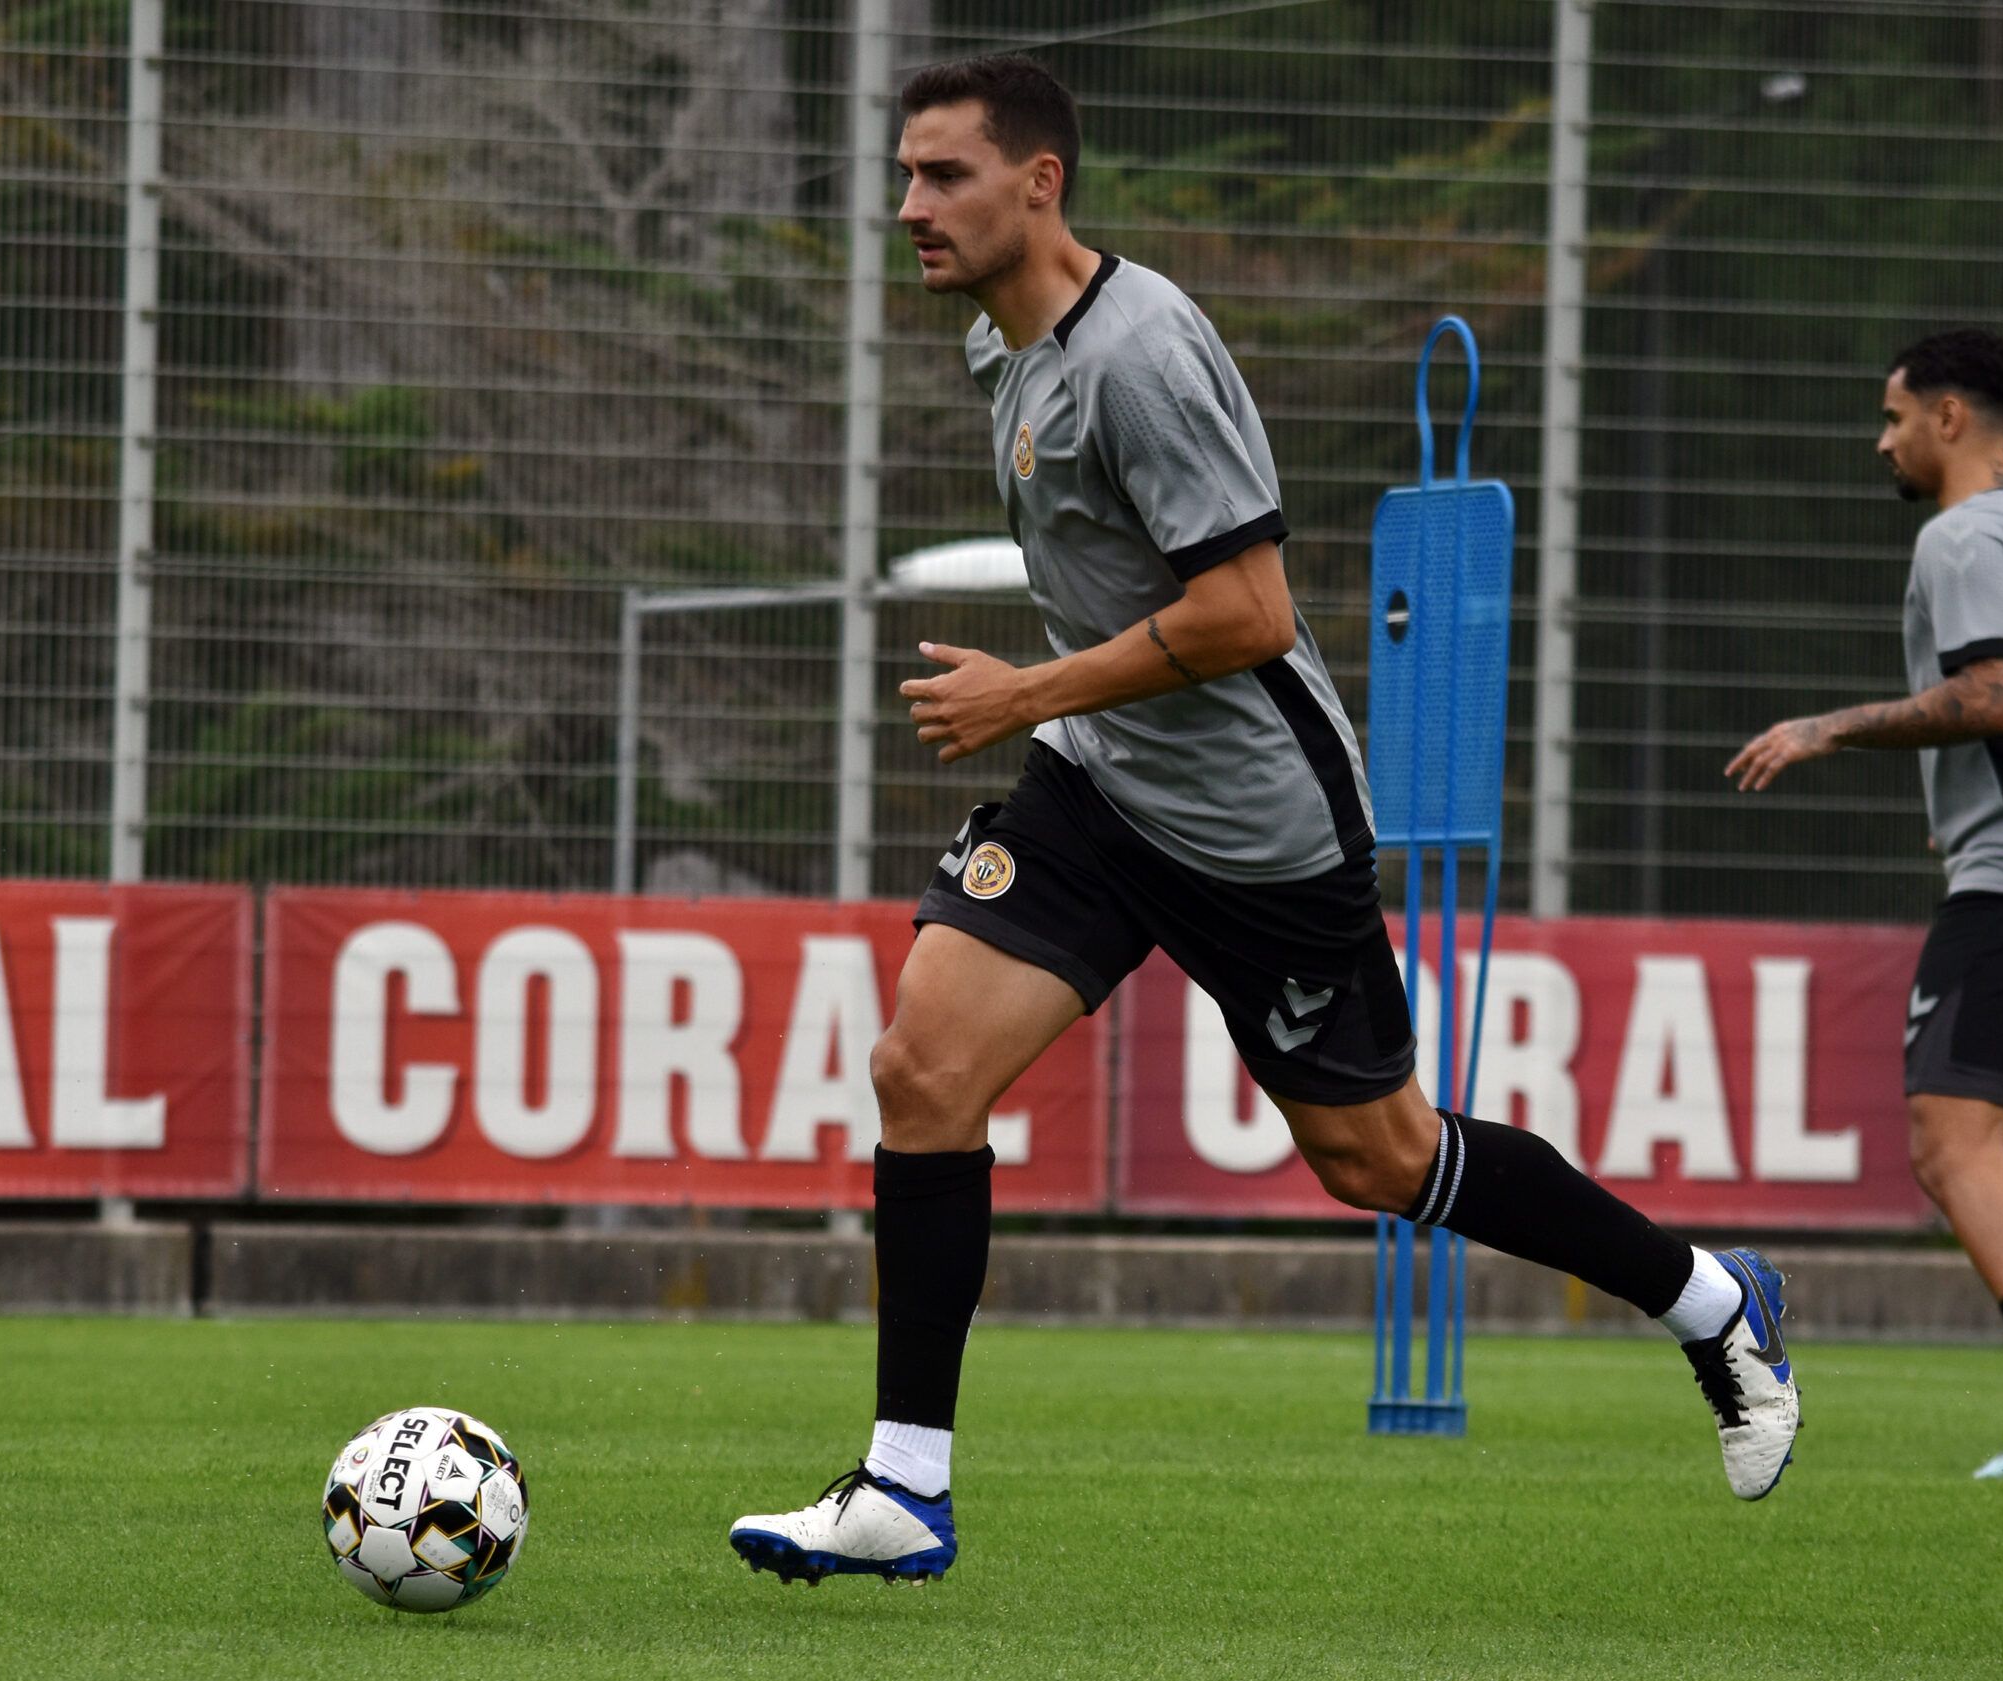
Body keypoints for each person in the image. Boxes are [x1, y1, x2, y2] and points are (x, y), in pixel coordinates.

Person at [727, 54, 1799, 1587]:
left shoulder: (1140, 355)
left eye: (945, 174)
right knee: (923, 1067)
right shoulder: (1000, 344)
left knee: (1378, 1158)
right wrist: (1061, 712)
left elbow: (1248, 612)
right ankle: (906, 1484)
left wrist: (1031, 689)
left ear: (1041, 182)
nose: (911, 205)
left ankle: (1710, 1299)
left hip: (1257, 828)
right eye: (905, 173)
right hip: (1103, 786)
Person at [1728, 328, 2003, 1478]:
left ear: (1948, 418)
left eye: (1892, 418)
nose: (1882, 442)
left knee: (1947, 1138)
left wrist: (1826, 727)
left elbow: (1990, 696)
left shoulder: (1961, 535)